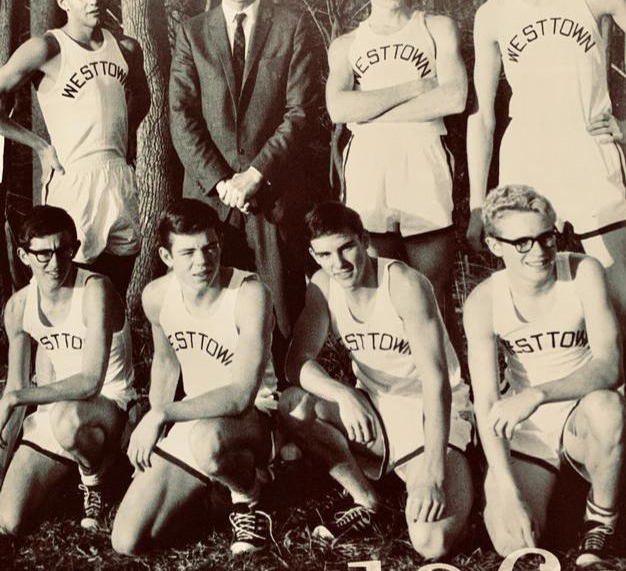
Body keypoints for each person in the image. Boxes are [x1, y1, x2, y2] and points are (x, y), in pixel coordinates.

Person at [279, 202, 473, 559]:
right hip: (375, 408)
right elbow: (296, 363)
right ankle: (365, 498)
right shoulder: (323, 286)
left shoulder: (403, 284)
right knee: (294, 405)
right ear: (313, 255)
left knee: (431, 542)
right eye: (325, 254)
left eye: (346, 248)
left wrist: (433, 473)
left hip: (429, 412)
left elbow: (437, 383)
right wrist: (344, 394)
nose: (338, 263)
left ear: (365, 240)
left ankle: (449, 467)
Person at [467, 0, 626, 326]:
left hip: (591, 156)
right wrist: (478, 204)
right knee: (538, 299)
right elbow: (482, 116)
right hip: (528, 163)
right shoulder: (494, 13)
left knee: (620, 298)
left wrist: (625, 124)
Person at [169, 0, 316, 349]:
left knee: (282, 318)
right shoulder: (192, 33)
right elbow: (181, 115)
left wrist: (255, 175)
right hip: (211, 205)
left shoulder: (291, 25)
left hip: (273, 199)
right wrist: (222, 182)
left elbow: (300, 112)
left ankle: (286, 391)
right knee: (215, 318)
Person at [463, 184, 625, 566]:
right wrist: (508, 492)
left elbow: (609, 366)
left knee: (607, 409)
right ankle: (568, 493)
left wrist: (537, 394)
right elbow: (487, 403)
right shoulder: (483, 301)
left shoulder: (582, 271)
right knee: (513, 542)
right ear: (495, 245)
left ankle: (600, 521)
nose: (538, 251)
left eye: (546, 237)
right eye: (522, 243)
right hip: (530, 431)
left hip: (583, 414)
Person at [325, 0, 467, 357]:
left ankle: (453, 387)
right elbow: (338, 108)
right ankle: (388, 380)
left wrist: (368, 112)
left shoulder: (436, 28)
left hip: (423, 159)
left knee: (433, 287)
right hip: (369, 167)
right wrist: (413, 88)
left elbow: (453, 98)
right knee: (379, 284)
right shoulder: (346, 45)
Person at [111, 198, 278, 557]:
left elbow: (241, 395)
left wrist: (162, 414)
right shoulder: (156, 296)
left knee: (207, 441)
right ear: (166, 256)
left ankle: (250, 495)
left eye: (210, 247)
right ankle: (217, 490)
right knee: (127, 541)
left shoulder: (250, 294)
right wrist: (156, 432)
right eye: (187, 253)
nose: (202, 262)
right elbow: (166, 364)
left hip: (255, 417)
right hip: (194, 414)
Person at [0, 0, 150, 297]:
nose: (94, 1)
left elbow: (142, 97)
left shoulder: (125, 47)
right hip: (73, 179)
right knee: (69, 294)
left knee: (115, 293)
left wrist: (125, 136)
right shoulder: (47, 48)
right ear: (62, 1)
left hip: (118, 177)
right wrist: (40, 146)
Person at [0, 205, 136, 538]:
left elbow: (91, 381)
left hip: (107, 406)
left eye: (64, 251)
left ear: (74, 248)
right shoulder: (18, 307)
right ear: (23, 255)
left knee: (67, 419)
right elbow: (15, 388)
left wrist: (18, 397)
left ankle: (95, 478)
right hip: (56, 413)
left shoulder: (95, 289)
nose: (56, 263)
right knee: (9, 520)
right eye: (43, 254)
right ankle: (69, 476)